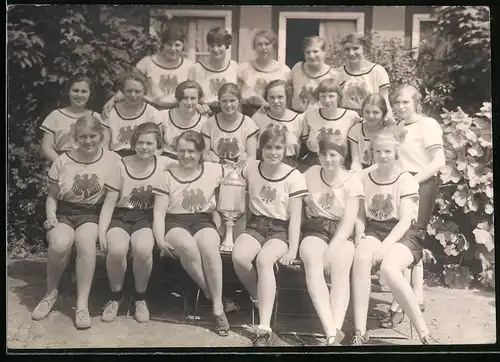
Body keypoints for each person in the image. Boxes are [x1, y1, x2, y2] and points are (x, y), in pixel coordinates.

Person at [349, 125, 437, 345]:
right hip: (374, 229)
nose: (383, 156)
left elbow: (406, 220)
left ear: (396, 152)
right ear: (372, 153)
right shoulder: (365, 178)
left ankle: (424, 333)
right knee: (360, 259)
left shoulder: (405, 179)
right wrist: (360, 232)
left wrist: (385, 246)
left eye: (388, 151)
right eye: (378, 151)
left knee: (389, 268)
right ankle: (360, 331)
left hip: (404, 232)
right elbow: (361, 214)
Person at [32, 115, 119, 329]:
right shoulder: (63, 160)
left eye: (93, 136)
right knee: (60, 243)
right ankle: (51, 292)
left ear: (101, 136)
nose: (88, 141)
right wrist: (51, 216)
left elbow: (112, 197)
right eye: (83, 136)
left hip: (92, 213)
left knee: (85, 243)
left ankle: (82, 304)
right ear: (74, 137)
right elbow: (52, 195)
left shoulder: (112, 159)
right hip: (64, 211)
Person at [232, 125, 308, 347]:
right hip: (256, 224)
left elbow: (295, 218)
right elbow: (233, 173)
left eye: (278, 148)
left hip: (281, 230)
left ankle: (263, 328)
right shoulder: (252, 168)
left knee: (265, 260)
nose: (273, 152)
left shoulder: (294, 176)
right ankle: (258, 297)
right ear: (261, 149)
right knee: (239, 257)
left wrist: (293, 249)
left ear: (285, 150)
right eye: (268, 147)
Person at [152, 130, 230, 336]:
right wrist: (159, 240)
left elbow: (239, 178)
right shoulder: (167, 174)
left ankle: (216, 306)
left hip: (203, 219)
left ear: (201, 152)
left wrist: (223, 221)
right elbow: (159, 213)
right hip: (175, 221)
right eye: (182, 151)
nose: (187, 156)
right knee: (188, 247)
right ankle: (214, 299)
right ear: (175, 151)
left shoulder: (214, 170)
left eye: (192, 151)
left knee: (209, 247)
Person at [380, 84, 445, 327]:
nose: (400, 107)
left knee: (411, 237)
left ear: (417, 102)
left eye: (406, 102)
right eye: (397, 102)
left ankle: (399, 304)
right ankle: (415, 295)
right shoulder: (395, 128)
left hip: (421, 182)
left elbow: (439, 160)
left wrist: (412, 183)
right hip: (400, 183)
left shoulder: (427, 124)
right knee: (402, 238)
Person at [98, 122, 170, 324]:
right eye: (140, 142)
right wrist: (102, 232)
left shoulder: (165, 165)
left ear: (158, 145)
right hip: (121, 216)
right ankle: (116, 296)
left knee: (143, 249)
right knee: (116, 249)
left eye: (149, 143)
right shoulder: (121, 164)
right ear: (133, 143)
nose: (144, 147)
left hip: (146, 217)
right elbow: (110, 202)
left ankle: (140, 297)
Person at [300, 133, 363, 346]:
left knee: (340, 266)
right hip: (315, 228)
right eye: (324, 154)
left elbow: (348, 222)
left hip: (341, 231)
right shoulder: (310, 174)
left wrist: (332, 250)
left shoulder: (351, 182)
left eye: (333, 155)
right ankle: (330, 330)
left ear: (342, 156)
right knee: (312, 261)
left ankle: (333, 333)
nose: (328, 159)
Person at [102, 26, 193, 116]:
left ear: (183, 46)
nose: (173, 49)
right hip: (150, 112)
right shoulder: (146, 63)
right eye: (169, 44)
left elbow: (194, 92)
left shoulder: (189, 66)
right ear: (162, 45)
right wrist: (114, 100)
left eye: (177, 45)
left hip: (178, 113)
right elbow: (130, 84)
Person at [40, 75, 105, 162]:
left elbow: (103, 147)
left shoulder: (97, 117)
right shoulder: (55, 115)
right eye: (75, 91)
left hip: (90, 165)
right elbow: (46, 147)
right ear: (68, 92)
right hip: (61, 164)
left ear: (90, 94)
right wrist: (63, 164)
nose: (79, 95)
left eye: (84, 91)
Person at [302, 78, 360, 170]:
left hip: (340, 164)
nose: (327, 100)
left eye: (331, 96)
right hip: (313, 163)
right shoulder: (310, 114)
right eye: (323, 96)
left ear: (339, 97)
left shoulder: (351, 117)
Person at [107, 71, 163, 157]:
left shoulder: (153, 114)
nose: (133, 95)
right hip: (117, 158)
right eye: (129, 91)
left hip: (144, 157)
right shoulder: (111, 113)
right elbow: (104, 146)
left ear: (144, 93)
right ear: (123, 92)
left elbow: (158, 147)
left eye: (137, 91)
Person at [201, 83, 259, 166]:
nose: (228, 105)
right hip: (216, 167)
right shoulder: (210, 123)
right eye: (224, 101)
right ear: (219, 101)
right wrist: (211, 158)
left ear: (239, 101)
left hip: (240, 169)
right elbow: (204, 154)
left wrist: (244, 161)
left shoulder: (248, 124)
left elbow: (252, 157)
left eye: (232, 100)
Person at [252, 80, 306, 168]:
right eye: (272, 97)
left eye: (280, 97)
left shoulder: (298, 119)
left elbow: (305, 147)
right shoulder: (258, 117)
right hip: (263, 162)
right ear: (266, 99)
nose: (276, 101)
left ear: (287, 97)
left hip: (289, 164)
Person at [237, 30, 291, 117]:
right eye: (259, 44)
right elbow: (236, 96)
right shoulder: (244, 68)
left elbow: (287, 101)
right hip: (248, 113)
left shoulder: (284, 70)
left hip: (274, 114)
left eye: (267, 44)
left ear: (273, 46)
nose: (263, 47)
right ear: (254, 47)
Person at [336, 33, 391, 115]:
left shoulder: (377, 71)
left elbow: (385, 102)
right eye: (347, 49)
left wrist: (391, 125)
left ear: (364, 48)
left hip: (371, 119)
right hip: (346, 120)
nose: (351, 53)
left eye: (355, 48)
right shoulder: (338, 73)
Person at [189, 27, 239, 115]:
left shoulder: (235, 67)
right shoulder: (196, 69)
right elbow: (187, 95)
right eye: (212, 45)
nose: (215, 49)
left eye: (219, 45)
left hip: (229, 114)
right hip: (203, 114)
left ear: (226, 46)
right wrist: (197, 105)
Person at [289, 36, 338, 114]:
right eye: (307, 52)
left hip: (320, 117)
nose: (311, 56)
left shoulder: (332, 74)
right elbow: (289, 90)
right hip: (296, 116)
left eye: (315, 51)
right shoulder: (297, 68)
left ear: (324, 52)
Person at [161, 80, 208, 160]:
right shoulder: (164, 116)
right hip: (167, 158)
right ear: (178, 98)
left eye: (193, 98)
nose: (189, 102)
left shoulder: (204, 119)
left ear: (198, 100)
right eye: (185, 98)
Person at [348, 93, 391, 174]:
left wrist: (363, 173)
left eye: (375, 112)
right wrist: (356, 172)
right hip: (363, 171)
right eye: (367, 112)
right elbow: (356, 161)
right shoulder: (356, 130)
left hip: (384, 171)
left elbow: (388, 162)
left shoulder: (389, 132)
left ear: (383, 113)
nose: (371, 116)